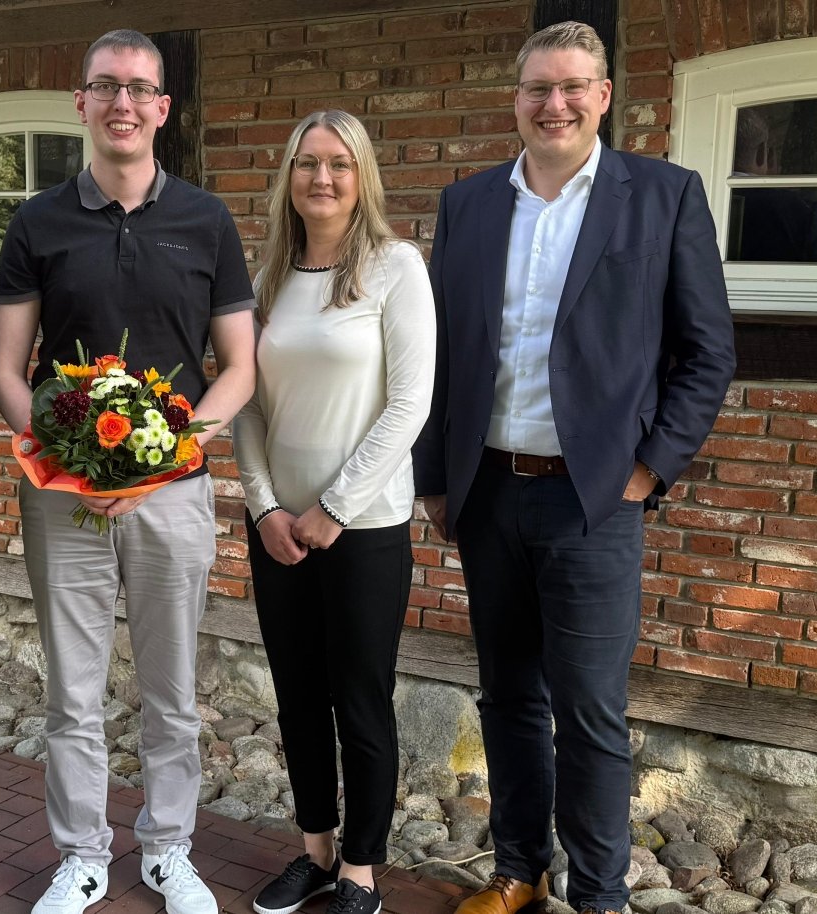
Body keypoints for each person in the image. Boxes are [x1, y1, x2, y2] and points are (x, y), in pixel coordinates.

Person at [412, 21, 735, 914]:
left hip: (592, 502)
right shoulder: (470, 203)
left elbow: (707, 353)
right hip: (488, 493)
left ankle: (599, 897)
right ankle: (519, 869)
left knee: (590, 713)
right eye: (536, 89)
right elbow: (442, 354)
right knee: (507, 695)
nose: (553, 104)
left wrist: (647, 469)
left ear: (602, 95)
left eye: (572, 87)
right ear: (515, 99)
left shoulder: (662, 196)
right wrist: (435, 478)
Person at [0, 28, 257, 914]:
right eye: (106, 86)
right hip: (63, 501)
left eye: (140, 89)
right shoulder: (38, 221)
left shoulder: (205, 220)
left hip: (174, 495)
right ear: (82, 103)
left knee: (172, 690)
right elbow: (5, 368)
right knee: (72, 690)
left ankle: (169, 852)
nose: (123, 103)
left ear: (163, 110)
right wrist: (65, 460)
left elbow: (239, 368)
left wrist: (176, 449)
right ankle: (82, 856)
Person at [231, 109, 433, 914]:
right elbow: (246, 404)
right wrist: (265, 507)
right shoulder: (267, 280)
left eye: (339, 165)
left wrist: (335, 510)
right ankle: (314, 852)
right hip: (278, 529)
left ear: (362, 179)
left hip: (365, 529)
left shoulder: (395, 267)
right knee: (296, 697)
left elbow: (410, 402)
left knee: (359, 699)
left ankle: (360, 871)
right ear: (290, 175)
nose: (322, 178)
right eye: (308, 163)